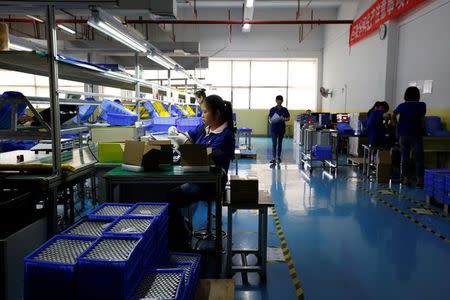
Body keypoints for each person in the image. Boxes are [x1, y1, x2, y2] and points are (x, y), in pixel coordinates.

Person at [168, 95, 235, 249]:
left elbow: (205, 157)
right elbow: (189, 139)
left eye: (205, 112)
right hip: (196, 175)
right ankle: (180, 228)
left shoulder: (225, 136)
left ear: (217, 114)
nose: (202, 115)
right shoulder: (204, 128)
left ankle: (181, 234)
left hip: (211, 184)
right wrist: (178, 136)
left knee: (171, 196)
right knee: (164, 188)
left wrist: (185, 145)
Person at [392, 86, 426, 188]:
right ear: (417, 95)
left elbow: (393, 115)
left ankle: (405, 178)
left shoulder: (402, 105)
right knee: (419, 159)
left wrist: (396, 124)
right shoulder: (422, 105)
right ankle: (420, 180)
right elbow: (422, 117)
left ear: (406, 95)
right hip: (416, 134)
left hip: (403, 135)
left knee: (404, 158)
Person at [268, 95, 290, 164]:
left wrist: (284, 119)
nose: (279, 101)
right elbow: (269, 118)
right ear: (276, 101)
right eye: (278, 100)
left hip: (281, 129)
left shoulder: (285, 110)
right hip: (274, 128)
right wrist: (271, 121)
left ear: (282, 101)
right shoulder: (272, 109)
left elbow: (288, 118)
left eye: (280, 100)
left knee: (280, 143)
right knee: (274, 144)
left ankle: (279, 157)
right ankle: (274, 158)